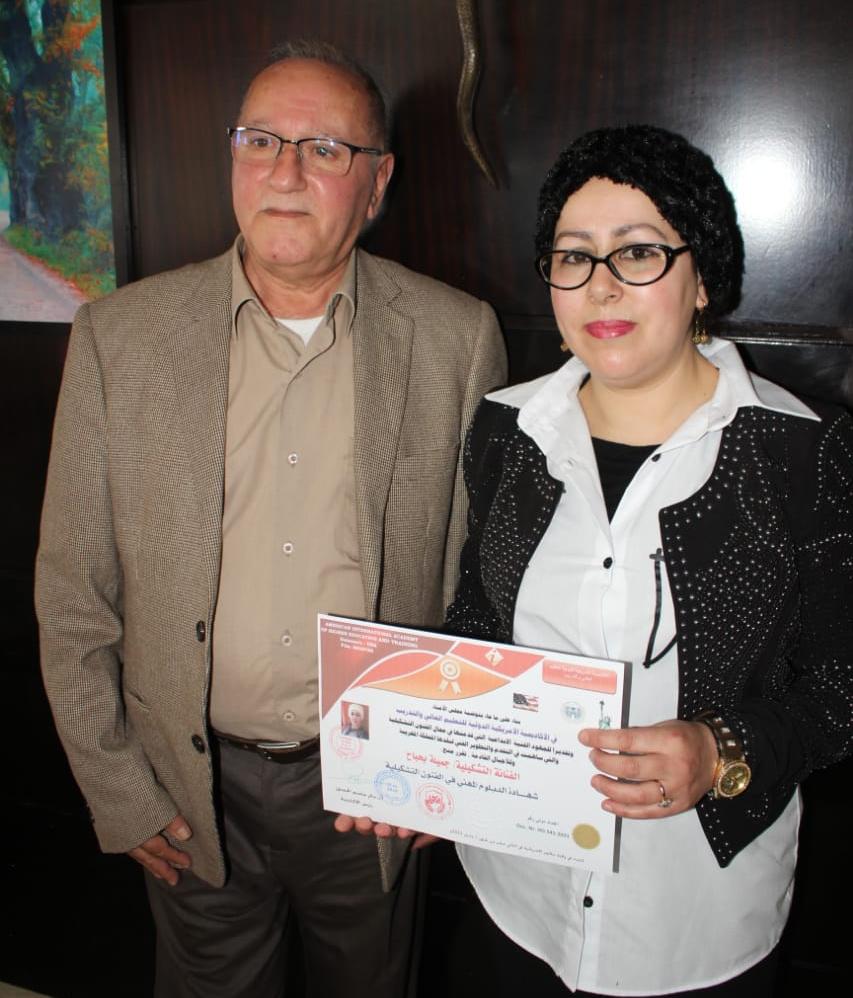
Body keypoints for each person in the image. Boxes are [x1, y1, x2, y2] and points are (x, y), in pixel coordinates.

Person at [34, 39, 506, 998]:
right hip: (186, 787)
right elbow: (72, 594)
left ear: (376, 185)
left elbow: (485, 577)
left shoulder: (456, 339)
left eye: (324, 149)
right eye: (260, 141)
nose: (285, 173)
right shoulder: (119, 338)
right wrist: (119, 791)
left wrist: (440, 765)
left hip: (373, 790)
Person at [441, 125, 853, 996]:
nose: (600, 285)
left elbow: (839, 683)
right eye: (573, 256)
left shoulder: (800, 451)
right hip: (516, 892)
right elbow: (477, 617)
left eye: (637, 252)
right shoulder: (506, 429)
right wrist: (420, 760)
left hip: (695, 920)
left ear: (701, 279)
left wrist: (720, 748)